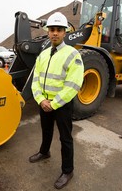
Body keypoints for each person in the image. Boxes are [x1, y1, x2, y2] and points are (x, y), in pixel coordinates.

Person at [30, 12, 84, 189]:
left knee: (65, 138)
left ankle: (68, 170)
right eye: (52, 29)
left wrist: (53, 104)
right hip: (44, 102)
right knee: (46, 131)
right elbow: (36, 79)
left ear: (64, 32)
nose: (55, 33)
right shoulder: (43, 54)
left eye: (59, 30)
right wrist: (40, 100)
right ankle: (44, 152)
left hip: (61, 105)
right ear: (47, 32)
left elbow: (73, 84)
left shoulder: (72, 54)